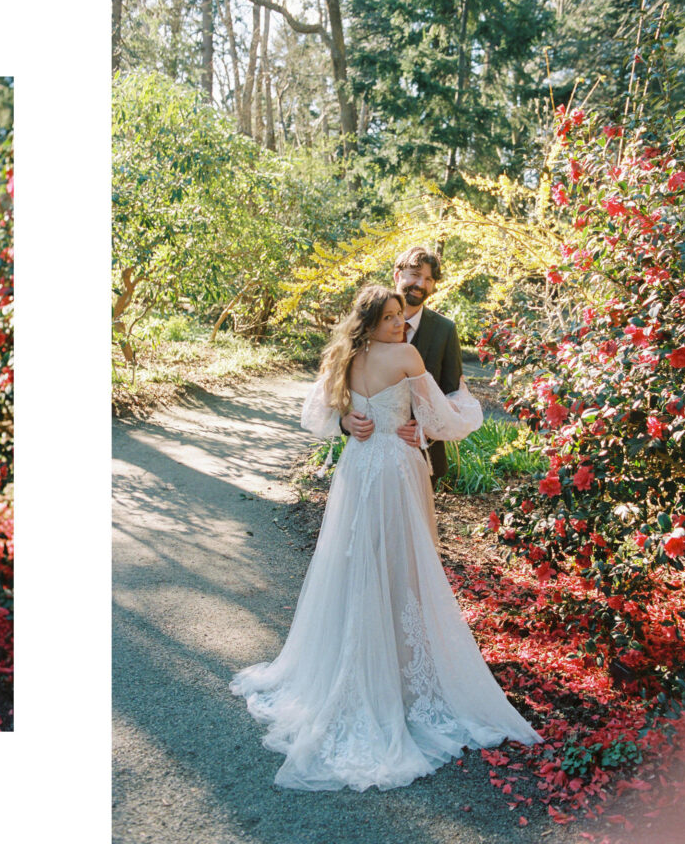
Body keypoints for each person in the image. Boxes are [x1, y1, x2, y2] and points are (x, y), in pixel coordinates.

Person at [230, 285, 539, 792]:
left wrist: (346, 422)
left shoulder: (344, 355)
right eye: (392, 317)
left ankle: (370, 658)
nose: (401, 323)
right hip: (395, 468)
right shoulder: (407, 355)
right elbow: (441, 418)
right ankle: (396, 671)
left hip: (357, 468)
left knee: (357, 560)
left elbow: (319, 414)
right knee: (405, 563)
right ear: (371, 322)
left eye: (401, 315)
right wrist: (459, 405)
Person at [341, 246, 462, 488]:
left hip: (421, 455)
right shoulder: (363, 326)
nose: (421, 284)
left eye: (429, 279)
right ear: (398, 275)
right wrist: (343, 421)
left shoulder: (445, 330)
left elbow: (455, 393)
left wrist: (429, 428)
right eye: (415, 275)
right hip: (367, 457)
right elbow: (337, 387)